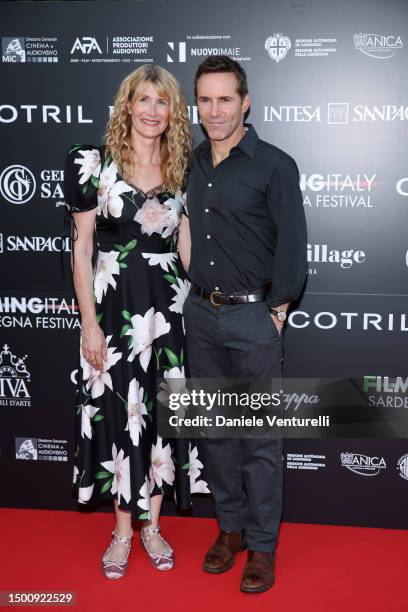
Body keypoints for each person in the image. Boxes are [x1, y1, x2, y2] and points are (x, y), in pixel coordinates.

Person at [64, 64, 208, 579]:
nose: (152, 111)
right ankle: (122, 532)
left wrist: (221, 296)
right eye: (143, 100)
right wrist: (89, 324)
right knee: (122, 417)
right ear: (126, 105)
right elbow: (81, 248)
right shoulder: (91, 164)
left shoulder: (184, 170)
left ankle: (153, 525)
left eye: (162, 102)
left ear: (173, 113)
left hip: (169, 313)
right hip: (112, 309)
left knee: (163, 417)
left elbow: (186, 248)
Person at [178, 56, 307, 593]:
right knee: (214, 433)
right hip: (200, 315)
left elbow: (294, 249)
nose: (214, 111)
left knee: (259, 439)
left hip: (255, 317)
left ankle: (262, 546)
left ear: (245, 101)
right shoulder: (188, 163)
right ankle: (228, 529)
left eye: (225, 99)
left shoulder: (274, 164)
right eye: (205, 100)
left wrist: (276, 312)